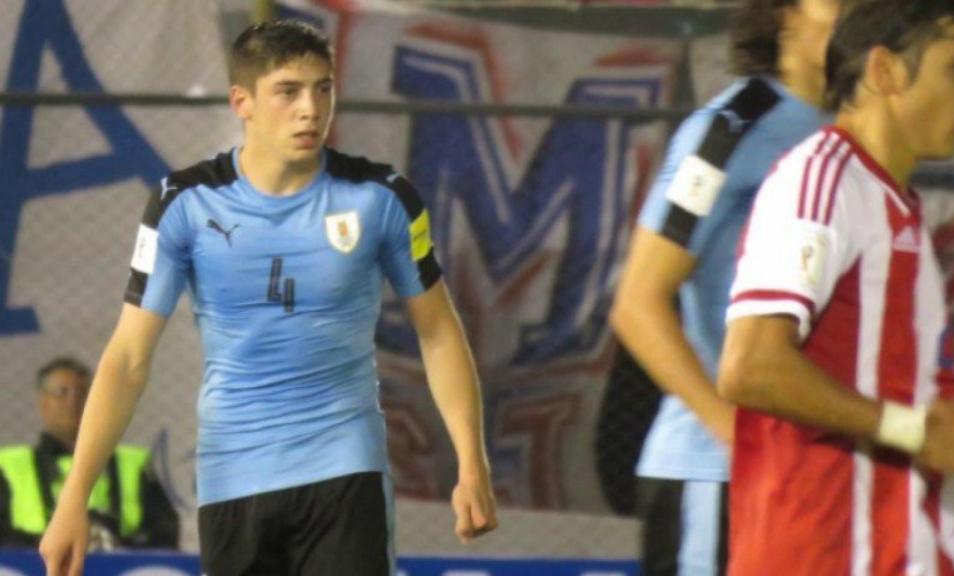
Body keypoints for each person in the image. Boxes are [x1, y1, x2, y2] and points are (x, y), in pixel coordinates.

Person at [39, 20, 497, 576]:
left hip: (345, 469)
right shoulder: (183, 204)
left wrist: (473, 465)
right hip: (233, 477)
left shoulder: (382, 198)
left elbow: (439, 331)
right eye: (288, 91)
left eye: (323, 88)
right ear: (243, 101)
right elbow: (129, 359)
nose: (311, 109)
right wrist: (74, 497)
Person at [718, 0, 954, 573]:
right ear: (885, 71)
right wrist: (916, 431)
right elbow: (749, 366)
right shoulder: (822, 179)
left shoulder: (894, 207)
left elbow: (903, 424)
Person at [609, 1, 839, 573]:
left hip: (817, 480)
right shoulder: (730, 129)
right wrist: (732, 430)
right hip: (719, 479)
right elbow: (638, 302)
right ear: (786, 15)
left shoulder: (857, 135)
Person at [0, 357, 178, 550]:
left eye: (83, 392)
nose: (73, 401)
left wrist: (117, 546)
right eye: (62, 392)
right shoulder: (8, 464)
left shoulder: (134, 463)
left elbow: (165, 534)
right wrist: (47, 544)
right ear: (43, 402)